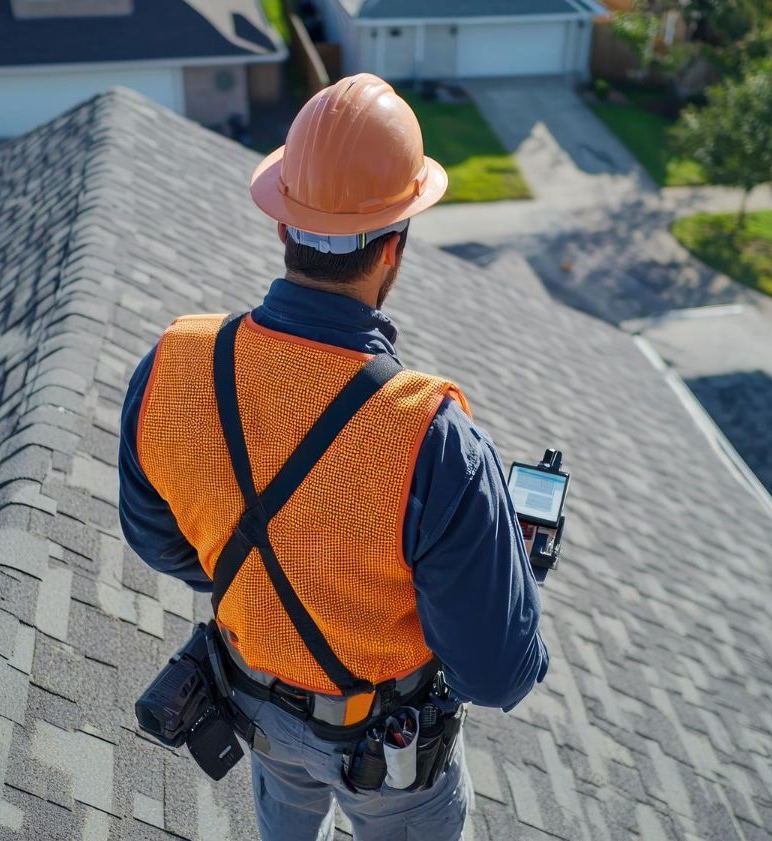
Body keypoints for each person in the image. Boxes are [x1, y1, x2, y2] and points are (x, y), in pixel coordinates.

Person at [119, 73, 548, 841]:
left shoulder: (175, 365)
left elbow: (156, 535)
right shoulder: (434, 440)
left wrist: (274, 588)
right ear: (393, 246)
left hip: (255, 706)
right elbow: (497, 672)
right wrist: (510, 574)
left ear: (283, 226)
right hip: (388, 758)